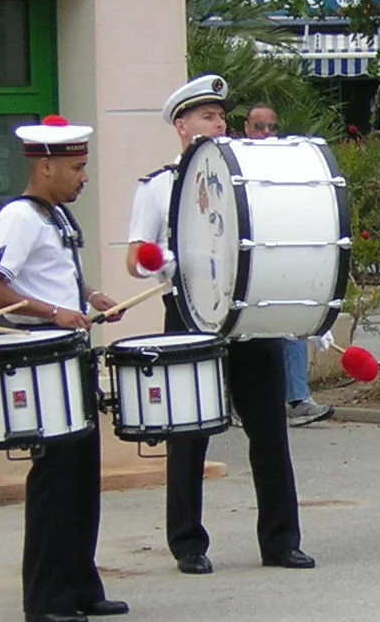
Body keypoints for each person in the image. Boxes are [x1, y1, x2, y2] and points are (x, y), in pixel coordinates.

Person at [127, 76, 315, 575]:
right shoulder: (159, 185)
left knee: (269, 432)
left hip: (247, 317)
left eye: (219, 116)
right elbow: (135, 257)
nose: (217, 124)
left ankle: (280, 540)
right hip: (189, 316)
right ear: (181, 126)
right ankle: (187, 543)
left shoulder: (244, 178)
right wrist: (162, 261)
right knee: (188, 434)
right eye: (206, 116)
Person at [0, 119, 127, 622]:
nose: (84, 177)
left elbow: (52, 279)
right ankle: (45, 595)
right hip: (41, 360)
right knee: (54, 480)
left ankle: (81, 583)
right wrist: (50, 312)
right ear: (46, 166)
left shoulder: (54, 215)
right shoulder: (19, 217)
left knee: (81, 476)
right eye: (77, 168)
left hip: (68, 354)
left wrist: (86, 298)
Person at [238, 103, 332, 427]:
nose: (266, 134)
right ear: (246, 128)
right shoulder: (235, 162)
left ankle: (298, 399)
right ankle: (242, 403)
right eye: (259, 127)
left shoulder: (289, 167)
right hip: (246, 265)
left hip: (280, 259)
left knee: (292, 323)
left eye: (272, 128)